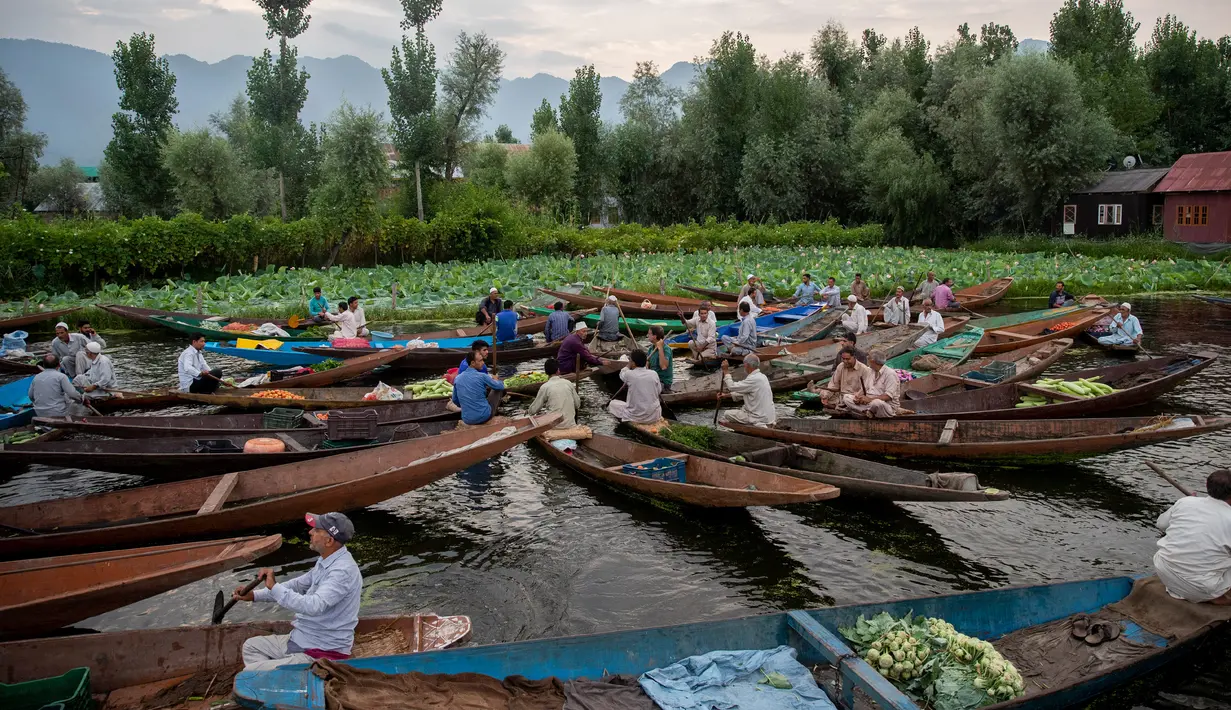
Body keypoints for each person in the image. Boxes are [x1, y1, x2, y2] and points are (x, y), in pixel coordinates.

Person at [236, 512, 363, 670]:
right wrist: (254, 595)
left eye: (316, 530)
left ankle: (279, 680)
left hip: (320, 651)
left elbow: (314, 606)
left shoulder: (342, 572)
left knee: (250, 672)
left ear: (329, 541)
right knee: (251, 646)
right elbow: (298, 584)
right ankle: (278, 681)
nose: (310, 532)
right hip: (303, 638)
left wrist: (274, 587)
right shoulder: (327, 560)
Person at [1153, 469, 1231, 605]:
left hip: (1163, 570)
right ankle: (1214, 596)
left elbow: (1161, 524)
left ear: (1206, 484)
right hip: (1201, 587)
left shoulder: (1185, 502)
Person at [449, 350, 505, 425]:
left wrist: (467, 406)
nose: (483, 363)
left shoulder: (457, 378)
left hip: (467, 419)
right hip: (484, 416)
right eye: (480, 361)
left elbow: (455, 400)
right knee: (498, 388)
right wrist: (496, 380)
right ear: (472, 363)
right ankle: (494, 412)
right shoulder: (482, 376)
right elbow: (500, 386)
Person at [607, 350, 662, 424]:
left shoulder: (629, 374)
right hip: (655, 415)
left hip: (636, 416)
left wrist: (628, 365)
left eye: (630, 360)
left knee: (612, 404)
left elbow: (622, 373)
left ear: (633, 363)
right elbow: (659, 390)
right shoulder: (654, 374)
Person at [719, 355, 776, 426]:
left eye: (744, 365)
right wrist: (726, 395)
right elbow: (746, 393)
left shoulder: (754, 379)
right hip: (769, 417)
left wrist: (726, 371)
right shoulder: (762, 377)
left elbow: (731, 386)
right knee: (742, 410)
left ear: (747, 365)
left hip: (759, 418)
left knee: (727, 414)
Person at [842, 350, 899, 418]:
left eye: (868, 357)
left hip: (885, 405)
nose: (867, 359)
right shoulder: (870, 371)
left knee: (877, 403)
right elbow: (865, 388)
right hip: (869, 403)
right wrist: (858, 397)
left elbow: (888, 396)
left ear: (872, 361)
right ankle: (867, 412)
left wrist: (870, 399)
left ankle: (866, 411)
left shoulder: (890, 374)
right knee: (846, 397)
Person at [527, 358, 580, 428]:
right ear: (558, 370)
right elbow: (577, 404)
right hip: (570, 425)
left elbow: (533, 410)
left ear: (546, 373)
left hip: (555, 427)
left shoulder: (545, 387)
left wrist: (528, 411)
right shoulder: (568, 383)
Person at [29, 354, 86, 418]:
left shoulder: (36, 377)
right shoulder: (61, 376)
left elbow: (31, 396)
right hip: (57, 412)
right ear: (59, 365)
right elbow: (72, 394)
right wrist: (82, 399)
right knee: (74, 402)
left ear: (44, 365)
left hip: (39, 412)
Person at [646, 325, 673, 391]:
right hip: (653, 379)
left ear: (655, 336)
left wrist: (660, 348)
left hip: (663, 383)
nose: (647, 335)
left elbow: (663, 366)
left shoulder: (666, 349)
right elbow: (647, 364)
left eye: (649, 334)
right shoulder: (651, 349)